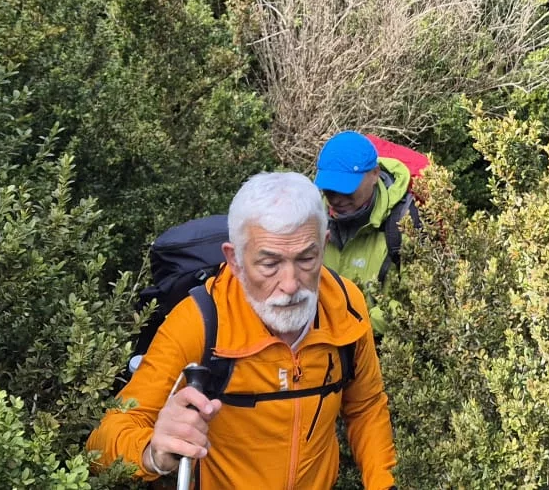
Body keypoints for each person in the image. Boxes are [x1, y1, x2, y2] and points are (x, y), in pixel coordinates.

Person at [87, 172, 398, 488]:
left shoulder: (345, 306)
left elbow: (366, 407)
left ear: (324, 245)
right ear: (234, 259)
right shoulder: (200, 322)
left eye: (306, 258)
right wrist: (153, 451)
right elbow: (103, 440)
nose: (290, 285)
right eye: (269, 264)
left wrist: (383, 483)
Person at [312, 131, 422, 291]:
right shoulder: (313, 216)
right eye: (329, 189)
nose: (335, 199)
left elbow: (414, 301)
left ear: (374, 174)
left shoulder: (404, 222)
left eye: (346, 189)